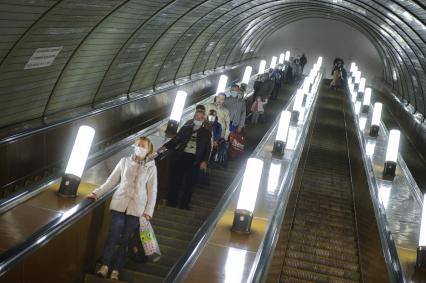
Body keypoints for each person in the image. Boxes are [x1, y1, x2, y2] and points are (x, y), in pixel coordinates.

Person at [90, 137, 157, 281]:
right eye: (138, 145)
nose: (140, 147)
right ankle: (105, 265)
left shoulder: (151, 167)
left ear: (148, 149)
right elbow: (111, 180)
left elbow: (152, 191)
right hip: (120, 203)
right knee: (114, 232)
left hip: (137, 208)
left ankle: (116, 269)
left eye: (143, 146)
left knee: (126, 239)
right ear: (134, 146)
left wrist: (148, 211)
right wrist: (97, 192)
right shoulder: (124, 161)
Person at [162, 110, 212, 209]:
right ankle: (172, 202)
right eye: (197, 117)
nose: (198, 119)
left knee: (190, 184)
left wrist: (205, 161)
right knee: (176, 180)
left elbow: (208, 149)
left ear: (204, 119)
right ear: (194, 117)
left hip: (196, 160)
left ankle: (184, 205)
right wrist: (165, 146)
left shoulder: (206, 133)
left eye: (201, 118)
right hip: (182, 156)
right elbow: (176, 139)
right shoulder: (186, 128)